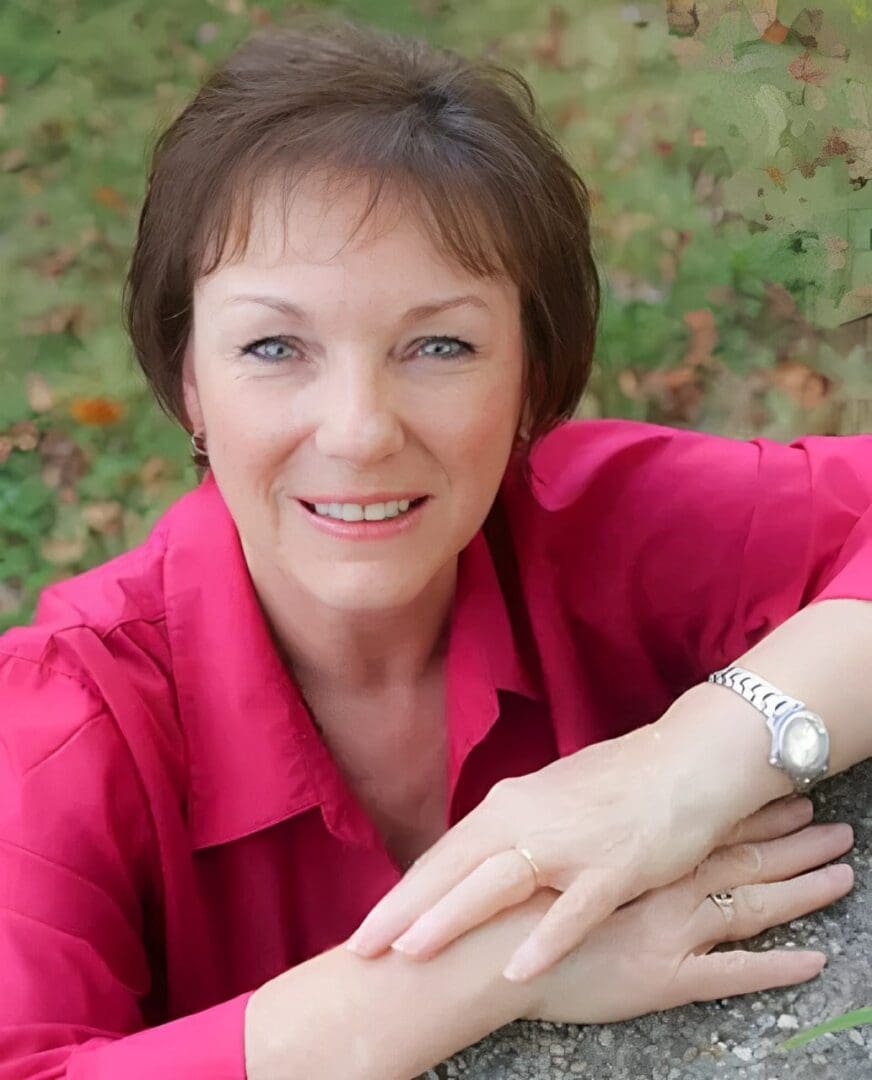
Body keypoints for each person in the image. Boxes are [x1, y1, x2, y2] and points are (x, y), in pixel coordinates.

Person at [1, 14, 871, 1080]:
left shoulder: (591, 520)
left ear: (529, 378)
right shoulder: (60, 719)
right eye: (274, 346)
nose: (360, 431)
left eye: (439, 345)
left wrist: (681, 765)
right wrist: (484, 966)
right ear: (188, 377)